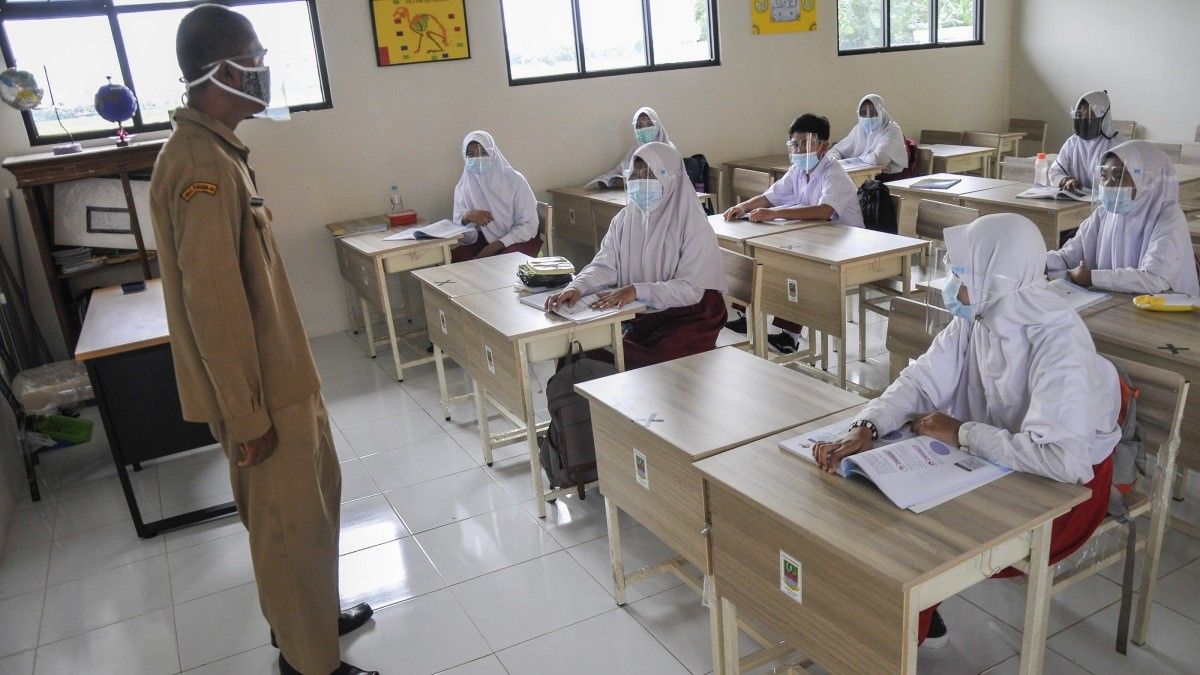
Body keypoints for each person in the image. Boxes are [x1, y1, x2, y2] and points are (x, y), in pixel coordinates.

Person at [151, 7, 376, 675]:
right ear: (220, 71)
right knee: (287, 528)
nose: (264, 71)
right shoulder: (200, 165)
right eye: (255, 59)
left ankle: (312, 620)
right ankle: (309, 663)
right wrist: (246, 416)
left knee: (312, 512)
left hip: (284, 377)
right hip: (262, 394)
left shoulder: (219, 152)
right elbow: (214, 309)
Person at [813, 213, 1122, 648]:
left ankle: (901, 631)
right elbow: (921, 380)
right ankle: (897, 623)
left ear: (996, 278)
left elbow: (1061, 460)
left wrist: (962, 432)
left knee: (923, 532)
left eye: (961, 273)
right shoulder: (979, 315)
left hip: (1068, 495)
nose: (951, 283)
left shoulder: (1059, 341)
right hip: (1000, 465)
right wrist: (868, 424)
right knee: (889, 505)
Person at [546, 142, 727, 369]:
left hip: (690, 317)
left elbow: (691, 289)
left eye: (650, 174)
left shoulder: (693, 224)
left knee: (647, 366)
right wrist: (578, 287)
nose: (641, 180)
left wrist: (636, 290)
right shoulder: (625, 219)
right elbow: (605, 265)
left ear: (672, 178)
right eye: (636, 173)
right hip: (643, 312)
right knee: (577, 349)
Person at [722, 113, 864, 353]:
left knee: (793, 265)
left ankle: (788, 337)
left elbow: (824, 210)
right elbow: (771, 196)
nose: (798, 150)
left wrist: (774, 214)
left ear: (823, 145)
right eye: (795, 144)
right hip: (816, 237)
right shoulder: (798, 170)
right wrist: (743, 207)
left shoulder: (834, 172)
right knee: (756, 254)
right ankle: (747, 316)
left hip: (845, 245)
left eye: (804, 143)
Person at [1047, 140, 1199, 295]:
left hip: (1167, 306)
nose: (1107, 184)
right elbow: (1067, 257)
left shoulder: (1170, 219)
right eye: (1104, 176)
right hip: (1118, 302)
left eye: (1118, 177)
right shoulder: (1104, 214)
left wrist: (1092, 278)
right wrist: (1039, 261)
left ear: (1146, 181)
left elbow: (1155, 278)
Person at [451, 130, 543, 262]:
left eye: (483, 152)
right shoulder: (463, 188)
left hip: (519, 238)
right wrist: (467, 218)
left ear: (493, 153)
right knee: (454, 259)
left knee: (503, 264)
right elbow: (466, 239)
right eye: (470, 154)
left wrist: (494, 247)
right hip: (484, 239)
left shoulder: (514, 180)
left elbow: (529, 225)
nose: (478, 158)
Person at [1048, 90, 1126, 191]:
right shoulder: (1072, 143)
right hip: (1076, 199)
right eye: (1080, 115)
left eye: (1090, 115)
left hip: (1105, 199)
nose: (1084, 119)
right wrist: (1066, 180)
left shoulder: (1118, 145)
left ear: (1103, 117)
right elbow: (1055, 171)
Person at [588, 106, 674, 188]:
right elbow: (622, 169)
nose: (645, 129)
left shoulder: (669, 149)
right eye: (639, 126)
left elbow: (670, 177)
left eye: (649, 124)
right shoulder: (636, 148)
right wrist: (610, 180)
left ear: (658, 125)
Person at [826, 94, 909, 178]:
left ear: (881, 112)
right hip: (862, 174)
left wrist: (859, 158)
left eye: (873, 112)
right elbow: (837, 149)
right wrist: (834, 160)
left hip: (887, 177)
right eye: (863, 112)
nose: (868, 116)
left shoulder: (892, 129)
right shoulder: (859, 129)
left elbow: (878, 158)